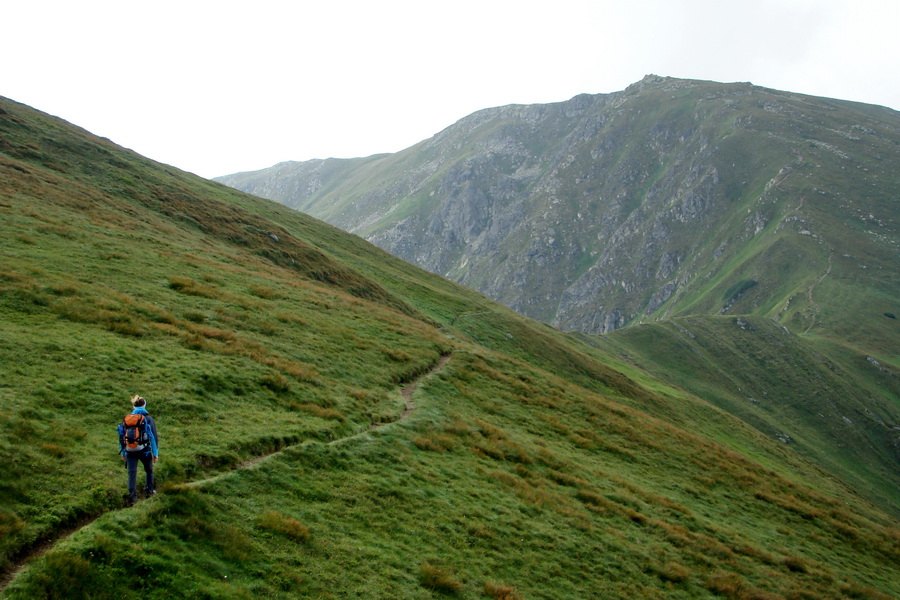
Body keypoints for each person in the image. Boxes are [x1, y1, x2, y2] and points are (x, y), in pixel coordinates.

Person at [118, 394, 159, 505]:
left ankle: (132, 497)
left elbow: (121, 436)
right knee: (149, 470)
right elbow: (153, 436)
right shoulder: (148, 419)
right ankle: (149, 491)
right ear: (144, 405)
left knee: (132, 473)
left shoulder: (128, 420)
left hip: (130, 451)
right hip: (144, 450)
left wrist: (123, 452)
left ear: (134, 407)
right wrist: (155, 453)